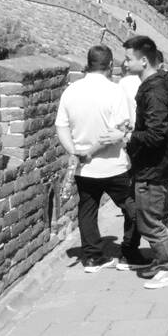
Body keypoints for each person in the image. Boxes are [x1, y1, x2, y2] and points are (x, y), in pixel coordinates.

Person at [54, 45, 136, 272]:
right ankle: (129, 252)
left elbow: (61, 125)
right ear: (110, 65)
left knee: (88, 209)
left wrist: (75, 150)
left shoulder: (71, 90)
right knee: (132, 207)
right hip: (113, 165)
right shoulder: (115, 91)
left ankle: (92, 257)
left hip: (84, 168)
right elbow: (117, 131)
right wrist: (92, 150)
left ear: (88, 64)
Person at [123, 36, 168, 288]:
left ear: (143, 60)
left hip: (153, 166)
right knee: (148, 217)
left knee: (150, 221)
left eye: (128, 58)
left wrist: (127, 136)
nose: (124, 64)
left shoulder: (155, 90)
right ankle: (161, 261)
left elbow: (156, 135)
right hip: (153, 164)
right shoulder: (155, 85)